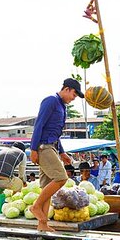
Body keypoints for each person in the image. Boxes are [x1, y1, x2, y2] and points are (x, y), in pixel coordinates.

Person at [29, 78, 83, 231]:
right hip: (43, 146)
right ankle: (36, 206)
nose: (74, 98)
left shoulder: (62, 106)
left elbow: (56, 133)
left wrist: (62, 152)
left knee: (47, 186)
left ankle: (42, 225)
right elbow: (39, 124)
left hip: (52, 146)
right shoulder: (51, 101)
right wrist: (33, 149)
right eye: (74, 94)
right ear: (66, 89)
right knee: (61, 178)